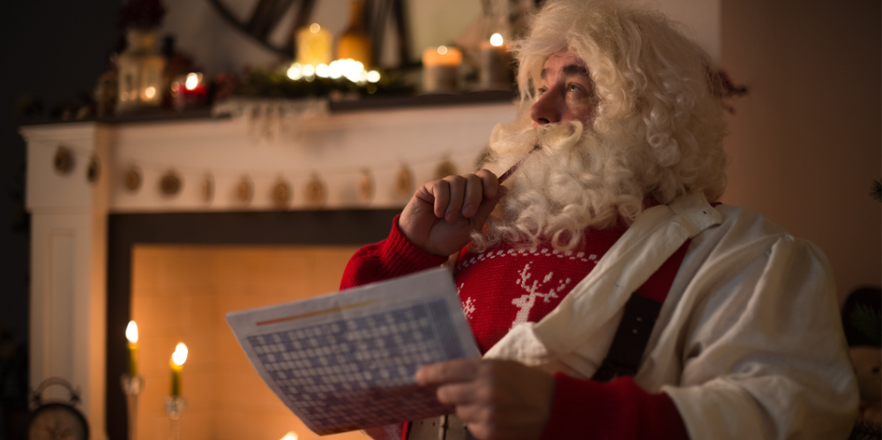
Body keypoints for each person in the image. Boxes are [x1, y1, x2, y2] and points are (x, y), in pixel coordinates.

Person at [340, 0, 859, 439]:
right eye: (540, 86)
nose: (539, 112)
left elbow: (792, 413)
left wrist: (566, 415)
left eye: (574, 88)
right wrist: (410, 253)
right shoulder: (471, 237)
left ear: (650, 113)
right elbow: (355, 393)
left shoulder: (749, 256)